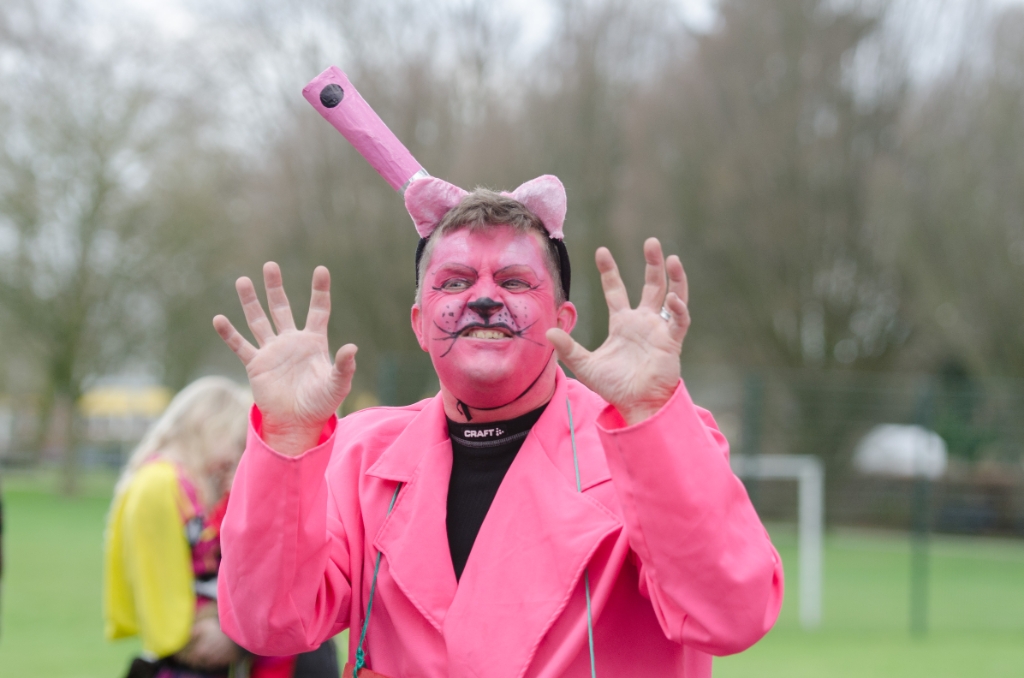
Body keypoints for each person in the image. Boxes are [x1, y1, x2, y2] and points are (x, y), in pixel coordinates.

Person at [214, 175, 784, 677]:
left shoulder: (650, 441)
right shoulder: (362, 456)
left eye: (514, 282)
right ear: (419, 323)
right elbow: (268, 624)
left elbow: (731, 615)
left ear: (563, 320)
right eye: (455, 282)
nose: (484, 299)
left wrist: (650, 413)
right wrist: (287, 441)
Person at [103, 376, 339, 678]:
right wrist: (219, 635)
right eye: (236, 441)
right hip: (190, 658)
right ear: (210, 426)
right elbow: (163, 599)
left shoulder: (186, 484)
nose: (238, 455)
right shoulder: (159, 483)